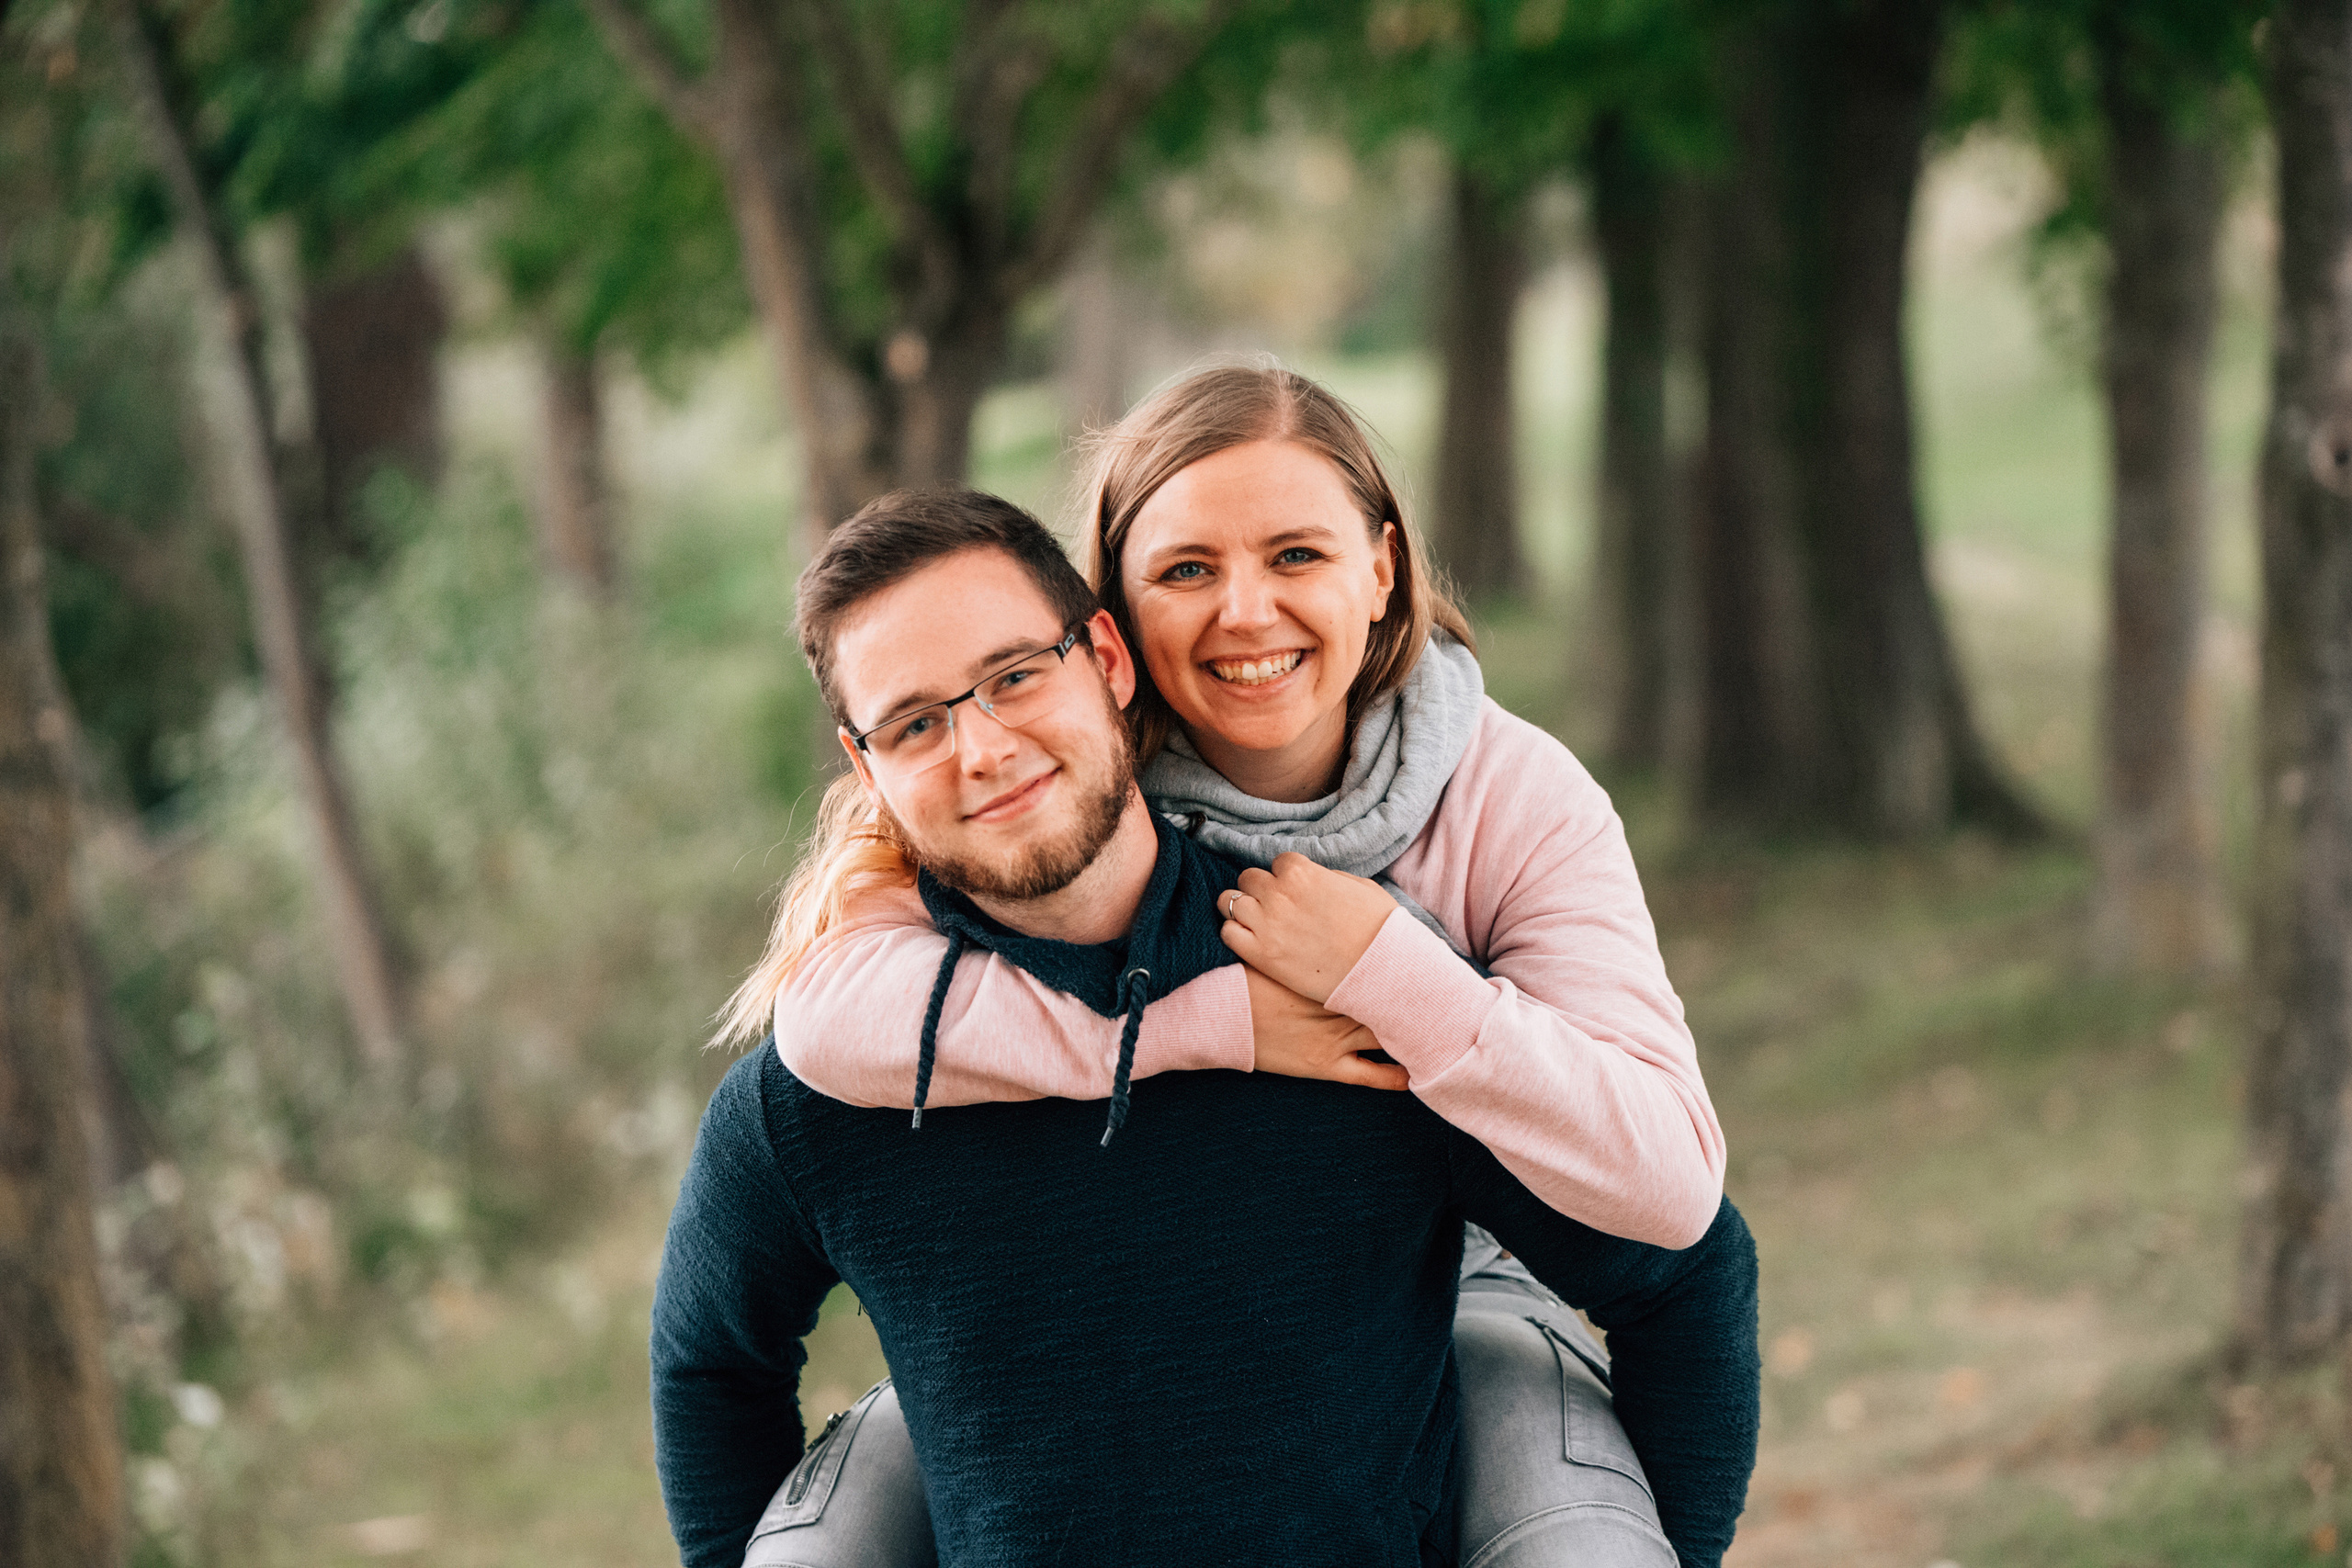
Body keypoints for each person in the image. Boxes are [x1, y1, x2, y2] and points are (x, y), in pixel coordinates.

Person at [718, 366, 1730, 1562]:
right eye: (1188, 571)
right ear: (1112, 621)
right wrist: (1204, 1021)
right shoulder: (1061, 787)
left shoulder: (1512, 795)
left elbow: (1669, 1190)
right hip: (1090, 1329)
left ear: (1383, 567)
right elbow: (828, 1017)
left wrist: (1388, 971)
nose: (1244, 613)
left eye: (1296, 555)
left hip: (1461, 1289)